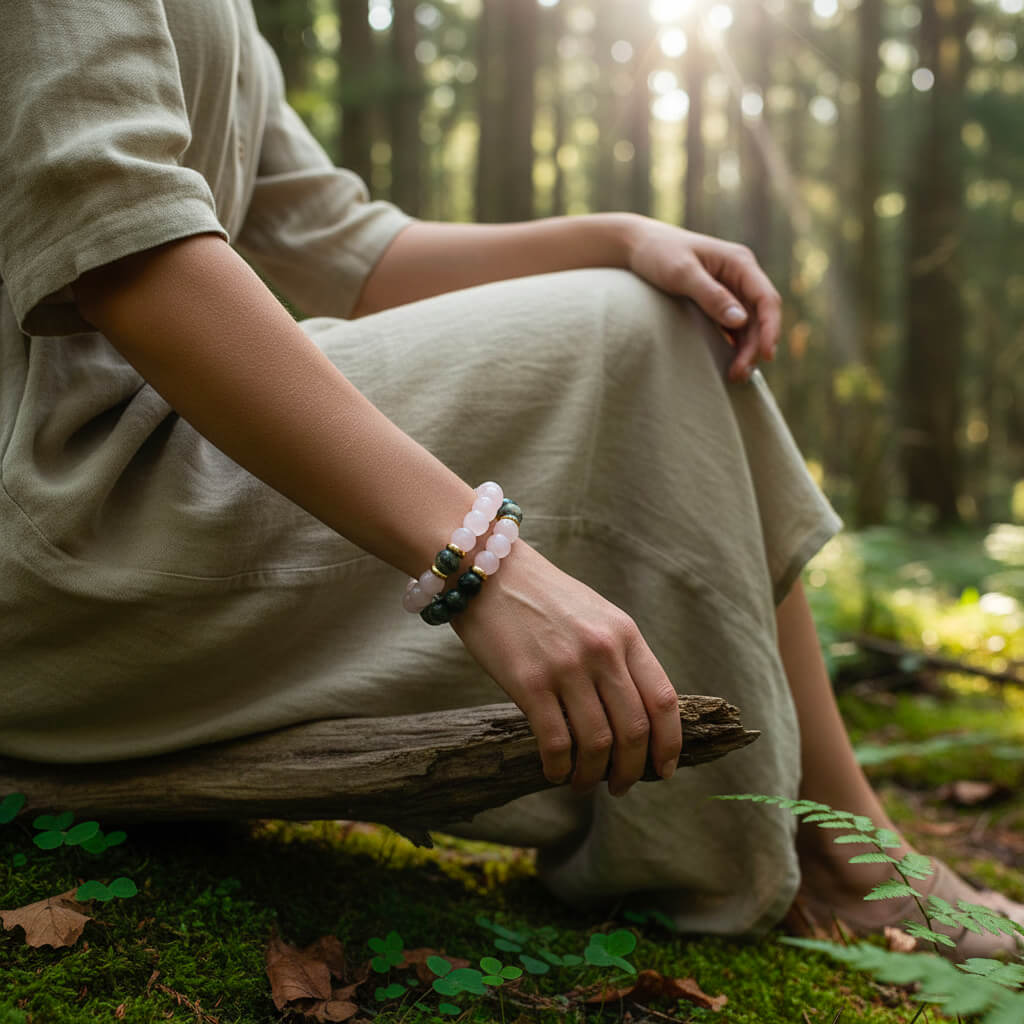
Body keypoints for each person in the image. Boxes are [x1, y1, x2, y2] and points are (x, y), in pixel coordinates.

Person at [0, 0, 1019, 956]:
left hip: (133, 458)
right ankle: (829, 852)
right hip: (61, 523)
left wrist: (621, 237)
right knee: (635, 340)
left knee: (665, 317)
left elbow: (340, 244)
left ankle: (847, 843)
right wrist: (479, 559)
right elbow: (130, 256)